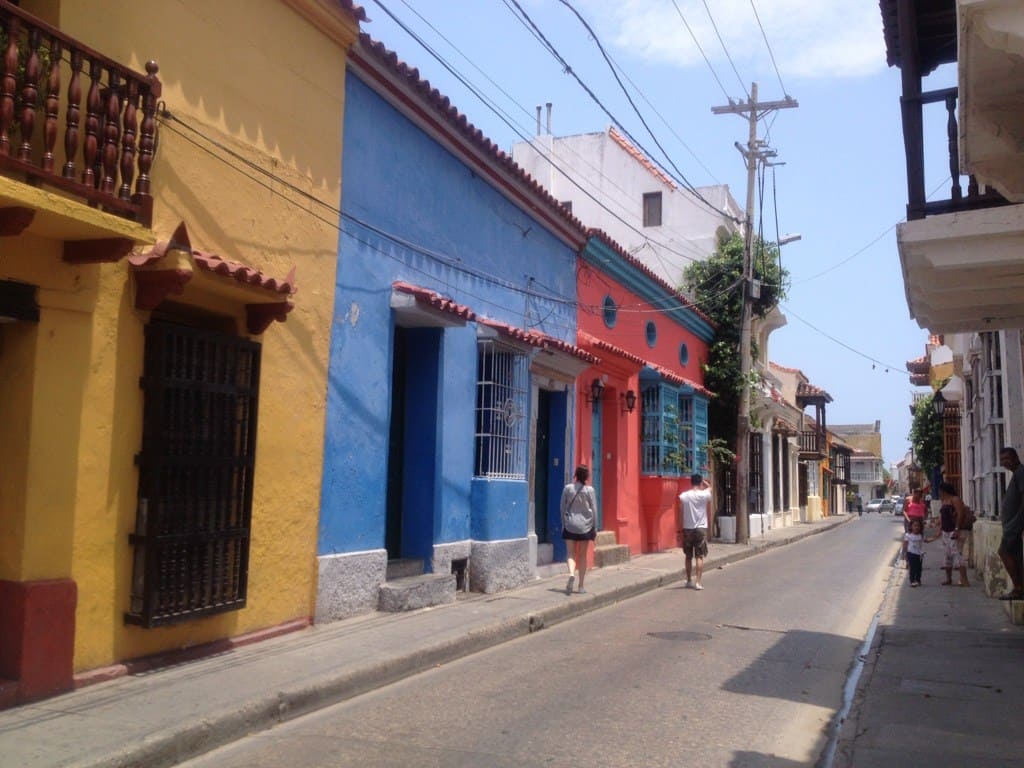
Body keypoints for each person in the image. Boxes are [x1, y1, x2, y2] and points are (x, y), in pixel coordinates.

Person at [560, 465, 597, 595]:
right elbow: (594, 510)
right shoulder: (589, 490)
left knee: (570, 554)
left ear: (575, 474)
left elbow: (562, 508)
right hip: (585, 527)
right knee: (582, 556)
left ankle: (571, 573)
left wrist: (563, 523)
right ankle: (581, 586)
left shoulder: (567, 489)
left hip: (570, 525)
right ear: (586, 476)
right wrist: (595, 527)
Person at [677, 472, 713, 590]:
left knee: (688, 556)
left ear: (691, 482)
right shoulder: (704, 495)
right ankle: (698, 582)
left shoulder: (684, 495)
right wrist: (706, 483)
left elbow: (680, 511)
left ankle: (688, 580)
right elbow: (710, 488)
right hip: (701, 528)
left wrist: (679, 529)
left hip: (688, 528)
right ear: (700, 482)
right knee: (699, 556)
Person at [997, 447, 1024, 600]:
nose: (1004, 462)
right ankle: (1019, 589)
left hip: (1014, 525)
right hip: (1012, 525)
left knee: (1004, 552)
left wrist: (1017, 522)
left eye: (1007, 458)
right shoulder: (1016, 474)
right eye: (1002, 460)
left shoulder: (1021, 472)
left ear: (1015, 457)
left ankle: (1018, 588)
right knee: (1016, 556)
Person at [936, 482, 970, 587]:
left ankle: (964, 580)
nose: (939, 492)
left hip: (954, 530)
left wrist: (957, 529)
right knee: (947, 555)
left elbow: (961, 514)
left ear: (943, 490)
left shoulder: (955, 499)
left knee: (957, 554)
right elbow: (942, 516)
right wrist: (940, 527)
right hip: (946, 531)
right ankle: (948, 579)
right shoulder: (944, 501)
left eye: (940, 490)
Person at [903, 518, 930, 587]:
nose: (916, 527)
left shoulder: (921, 535)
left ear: (920, 527)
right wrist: (905, 555)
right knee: (912, 568)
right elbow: (905, 545)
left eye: (918, 526)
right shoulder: (908, 535)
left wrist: (937, 536)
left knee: (919, 568)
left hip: (919, 555)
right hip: (911, 554)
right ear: (911, 527)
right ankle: (912, 581)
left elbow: (927, 541)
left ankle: (918, 580)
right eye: (915, 526)